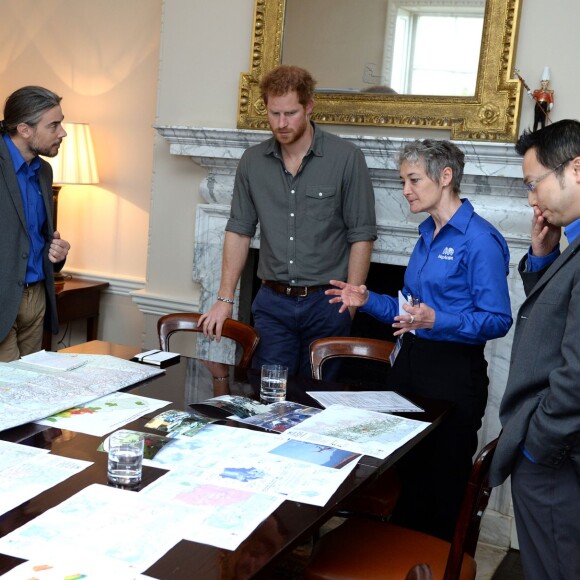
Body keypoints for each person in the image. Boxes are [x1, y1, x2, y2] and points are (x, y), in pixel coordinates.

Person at [326, 139, 512, 541]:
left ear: (445, 178)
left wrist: (437, 320)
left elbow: (498, 319)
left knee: (440, 488)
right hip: (409, 369)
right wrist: (366, 299)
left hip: (452, 378)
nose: (405, 190)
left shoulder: (480, 240)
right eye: (402, 181)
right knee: (403, 476)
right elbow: (409, 310)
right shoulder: (428, 232)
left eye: (413, 180)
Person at [198, 65, 377, 378]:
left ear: (309, 107)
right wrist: (224, 299)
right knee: (266, 397)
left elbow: (361, 234)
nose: (281, 124)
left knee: (319, 401)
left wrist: (350, 302)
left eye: (291, 113)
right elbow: (239, 230)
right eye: (274, 113)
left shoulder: (346, 158)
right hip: (272, 306)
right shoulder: (252, 162)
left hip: (327, 303)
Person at [489, 119, 580, 580]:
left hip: (556, 461)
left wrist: (538, 446)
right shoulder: (574, 244)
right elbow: (558, 318)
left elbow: (578, 373)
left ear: (576, 170)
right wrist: (542, 259)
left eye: (534, 183)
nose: (531, 199)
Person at [0, 86, 70, 362]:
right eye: (54, 125)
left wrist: (57, 254)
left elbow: (37, 237)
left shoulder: (44, 170)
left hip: (37, 295)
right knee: (8, 392)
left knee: (31, 390)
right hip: (4, 297)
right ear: (24, 129)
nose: (62, 132)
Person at [531, 66, 554, 131]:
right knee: (536, 119)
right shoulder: (537, 91)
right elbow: (532, 97)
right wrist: (529, 93)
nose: (544, 83)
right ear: (541, 82)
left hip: (544, 105)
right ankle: (534, 132)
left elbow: (551, 101)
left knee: (543, 121)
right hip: (538, 105)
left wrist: (549, 107)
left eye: (545, 81)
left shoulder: (550, 92)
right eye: (542, 81)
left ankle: (543, 134)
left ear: (548, 82)